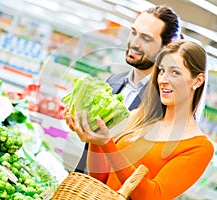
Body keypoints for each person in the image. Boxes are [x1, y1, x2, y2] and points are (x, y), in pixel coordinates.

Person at [64, 40, 214, 199]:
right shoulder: (138, 117)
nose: (163, 79)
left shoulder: (199, 147)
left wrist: (107, 144)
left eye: (175, 72)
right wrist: (95, 138)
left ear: (197, 80)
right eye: (162, 71)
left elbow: (152, 196)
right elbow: (99, 179)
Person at [74, 4, 181, 173]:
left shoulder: (165, 103)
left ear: (166, 47)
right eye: (133, 32)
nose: (134, 43)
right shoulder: (113, 82)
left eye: (146, 38)